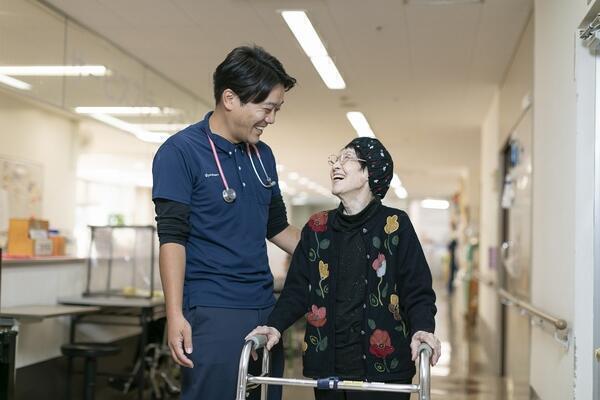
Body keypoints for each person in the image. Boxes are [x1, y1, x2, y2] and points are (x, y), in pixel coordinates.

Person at [152, 45, 300, 400]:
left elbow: (277, 227)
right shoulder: (180, 152)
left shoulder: (263, 155)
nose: (271, 119)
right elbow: (172, 238)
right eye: (266, 108)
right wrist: (175, 314)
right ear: (230, 98)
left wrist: (335, 251)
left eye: (277, 110)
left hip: (265, 307)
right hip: (213, 308)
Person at [246, 137, 441, 400]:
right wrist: (274, 326)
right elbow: (297, 291)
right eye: (335, 160)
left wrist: (423, 328)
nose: (336, 165)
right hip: (328, 368)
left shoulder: (395, 225)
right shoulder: (317, 227)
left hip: (385, 369)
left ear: (369, 171)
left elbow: (417, 290)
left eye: (347, 158)